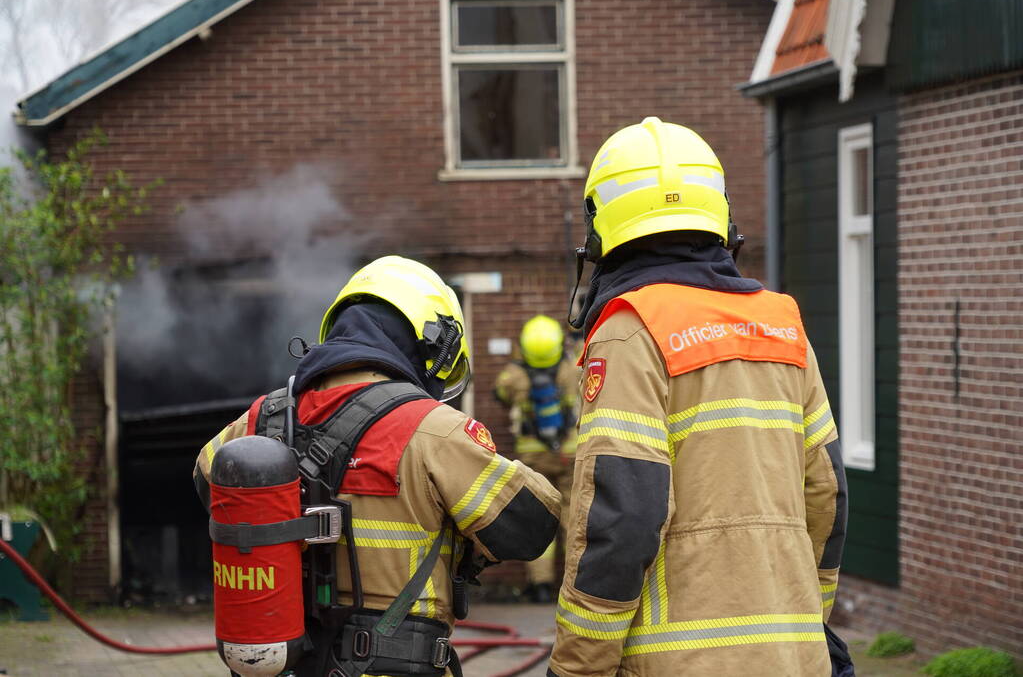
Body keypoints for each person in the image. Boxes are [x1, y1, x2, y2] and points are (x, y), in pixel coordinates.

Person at [547, 118, 848, 676]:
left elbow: (624, 515)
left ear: (599, 226)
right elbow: (827, 493)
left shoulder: (631, 328)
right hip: (796, 657)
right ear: (720, 213)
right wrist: (807, 620)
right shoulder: (784, 326)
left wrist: (578, 667)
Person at [193, 256, 561, 677]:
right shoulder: (433, 429)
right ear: (431, 341)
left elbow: (211, 490)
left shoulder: (263, 417)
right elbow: (531, 528)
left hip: (289, 663)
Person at [493, 315, 579, 602]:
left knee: (540, 518)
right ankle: (574, 583)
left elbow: (500, 392)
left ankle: (540, 585)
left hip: (533, 457)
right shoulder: (571, 369)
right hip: (569, 453)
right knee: (572, 518)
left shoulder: (515, 375)